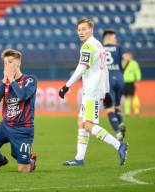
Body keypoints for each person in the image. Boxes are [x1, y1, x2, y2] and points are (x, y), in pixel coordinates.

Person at [59, 18, 128, 166]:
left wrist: (67, 86)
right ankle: (79, 158)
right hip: (94, 89)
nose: (81, 32)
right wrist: (106, 91)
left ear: (91, 29)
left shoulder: (88, 46)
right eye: (79, 30)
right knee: (81, 122)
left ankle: (119, 145)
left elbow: (81, 68)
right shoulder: (98, 45)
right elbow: (105, 70)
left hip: (92, 90)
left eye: (84, 29)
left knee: (88, 124)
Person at [0, 48, 37, 173]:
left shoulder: (30, 80)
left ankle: (30, 160)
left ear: (19, 63)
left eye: (10, 62)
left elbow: (23, 96)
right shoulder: (4, 82)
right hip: (6, 125)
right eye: (5, 63)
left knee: (23, 170)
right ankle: (1, 160)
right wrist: (5, 81)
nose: (7, 65)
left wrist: (12, 80)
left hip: (23, 129)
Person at [102, 29, 126, 140]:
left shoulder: (100, 48)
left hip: (107, 80)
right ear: (109, 37)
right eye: (114, 37)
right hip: (120, 78)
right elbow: (125, 59)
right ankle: (121, 123)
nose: (116, 39)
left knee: (109, 108)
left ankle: (117, 132)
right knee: (117, 104)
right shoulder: (119, 48)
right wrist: (121, 70)